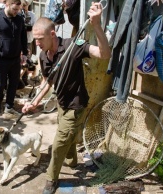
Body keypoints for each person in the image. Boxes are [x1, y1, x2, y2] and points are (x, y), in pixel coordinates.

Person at [22, 2, 111, 194]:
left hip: (76, 105)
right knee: (67, 137)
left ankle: (51, 179)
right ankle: (72, 161)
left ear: (52, 34)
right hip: (62, 104)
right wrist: (34, 102)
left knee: (58, 143)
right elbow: (47, 83)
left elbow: (104, 54)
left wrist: (96, 25)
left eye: (39, 39)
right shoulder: (44, 56)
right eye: (35, 40)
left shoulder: (73, 46)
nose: (36, 44)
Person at [0, 0, 28, 114]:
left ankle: (9, 105)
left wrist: (24, 53)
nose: (16, 12)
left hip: (15, 59)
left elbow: (23, 36)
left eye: (18, 10)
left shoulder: (19, 19)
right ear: (7, 5)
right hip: (1, 59)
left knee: (13, 84)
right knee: (0, 85)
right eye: (14, 9)